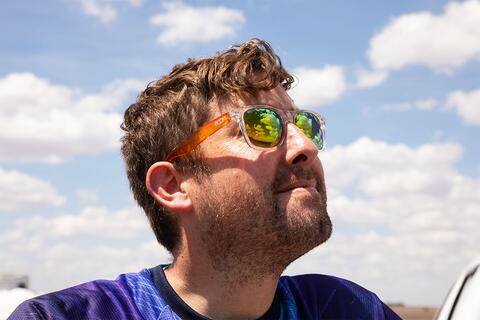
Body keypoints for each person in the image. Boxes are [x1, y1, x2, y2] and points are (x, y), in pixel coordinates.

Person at [9, 39, 400, 320]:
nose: (304, 147)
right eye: (261, 126)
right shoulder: (68, 316)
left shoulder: (345, 308)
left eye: (304, 125)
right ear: (173, 185)